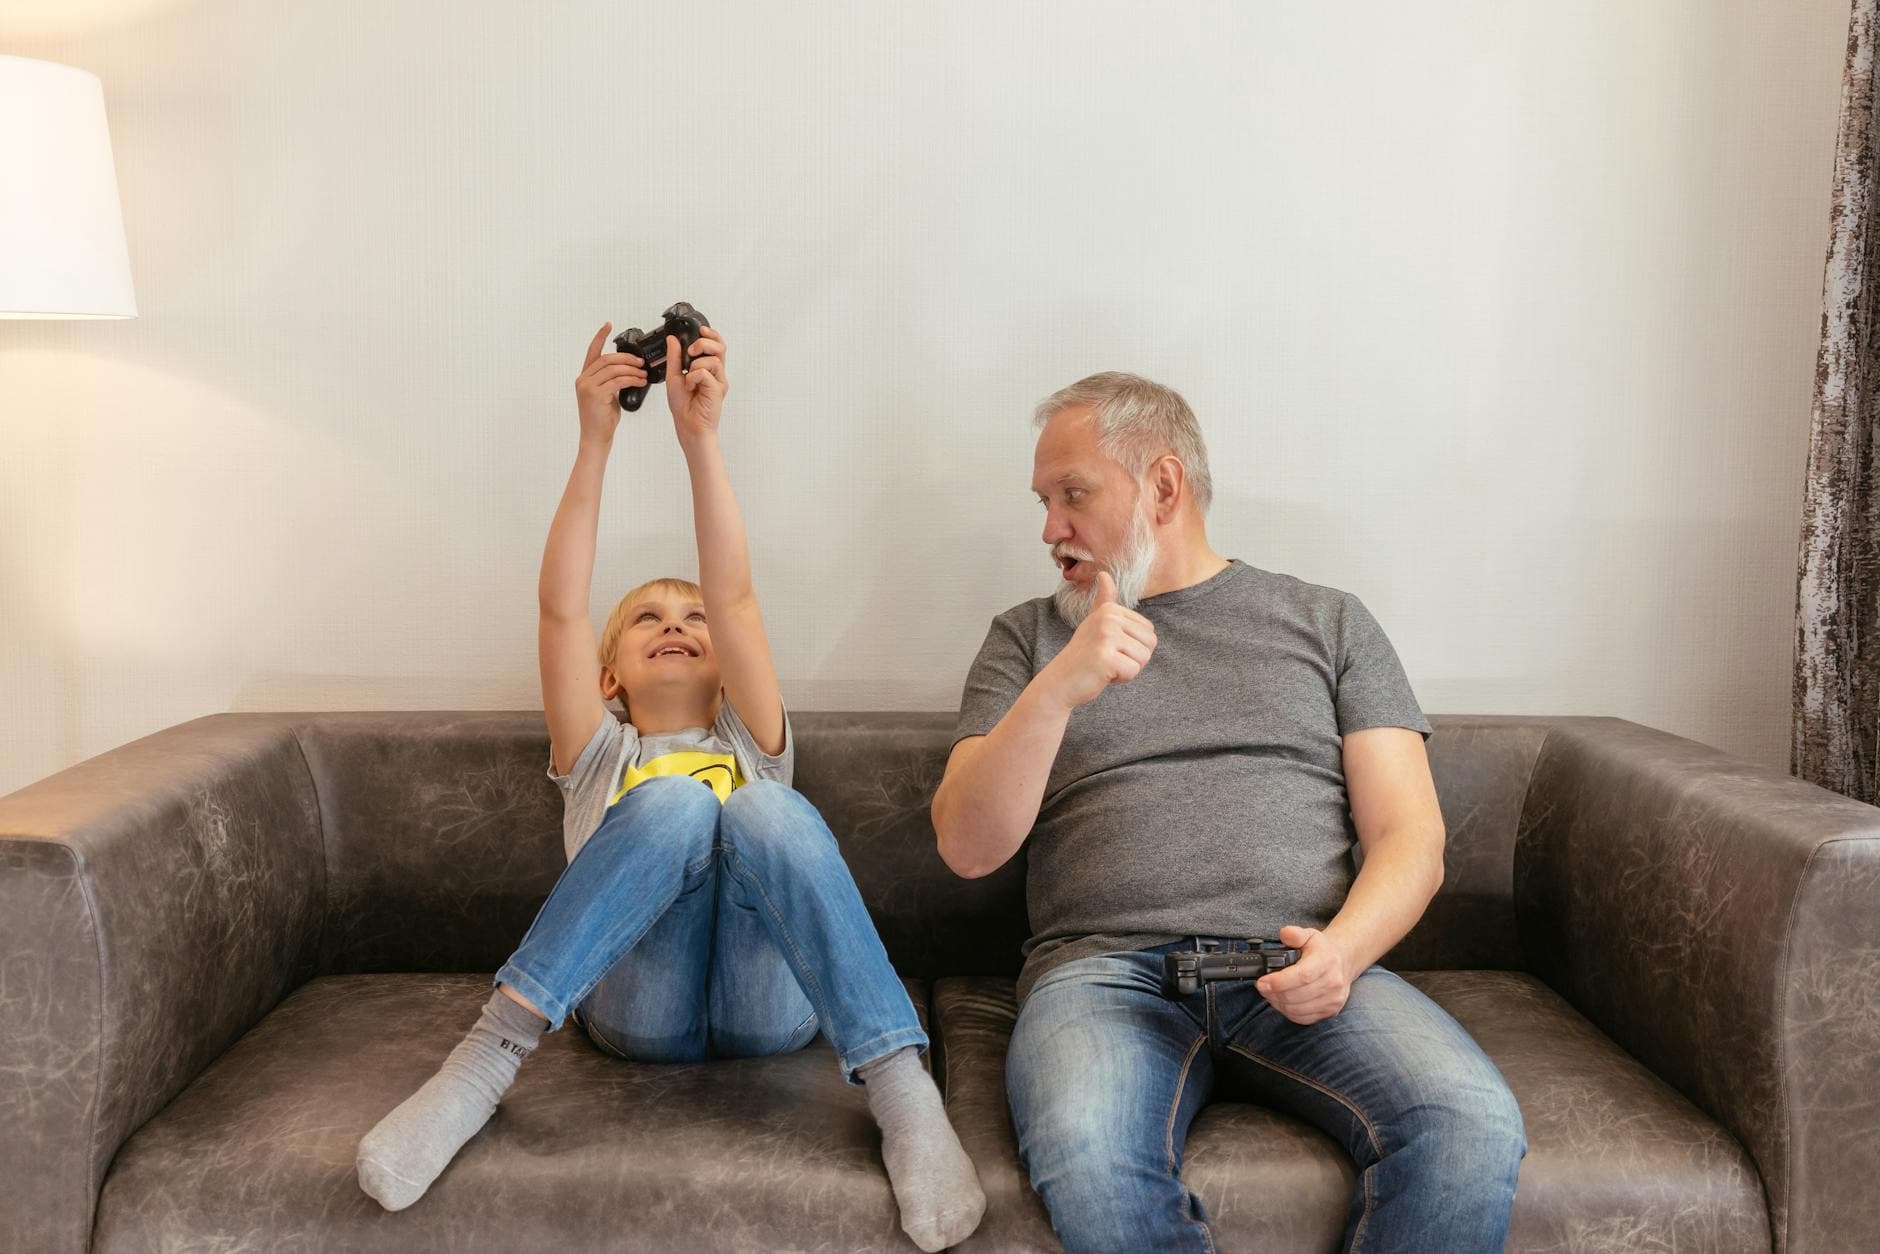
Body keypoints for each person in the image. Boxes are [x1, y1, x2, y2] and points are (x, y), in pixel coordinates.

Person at [356, 321, 984, 1252]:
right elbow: (560, 608)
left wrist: (701, 440)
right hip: (634, 1012)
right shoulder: (600, 758)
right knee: (679, 803)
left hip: (773, 1008)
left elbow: (736, 597)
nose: (677, 622)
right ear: (609, 678)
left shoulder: (755, 745)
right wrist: (595, 439)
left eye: (691, 616)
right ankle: (485, 1063)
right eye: (647, 617)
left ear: (727, 667)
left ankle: (901, 1092)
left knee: (761, 805)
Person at [930, 371, 1525, 1253]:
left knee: (1469, 1119)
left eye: (1073, 495)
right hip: (1104, 976)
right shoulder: (1028, 639)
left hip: (1302, 965)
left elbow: (1412, 838)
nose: (1050, 528)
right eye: (1045, 501)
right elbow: (967, 847)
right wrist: (1058, 691)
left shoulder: (1328, 622)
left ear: (1162, 487)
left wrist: (1344, 954)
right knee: (1090, 1153)